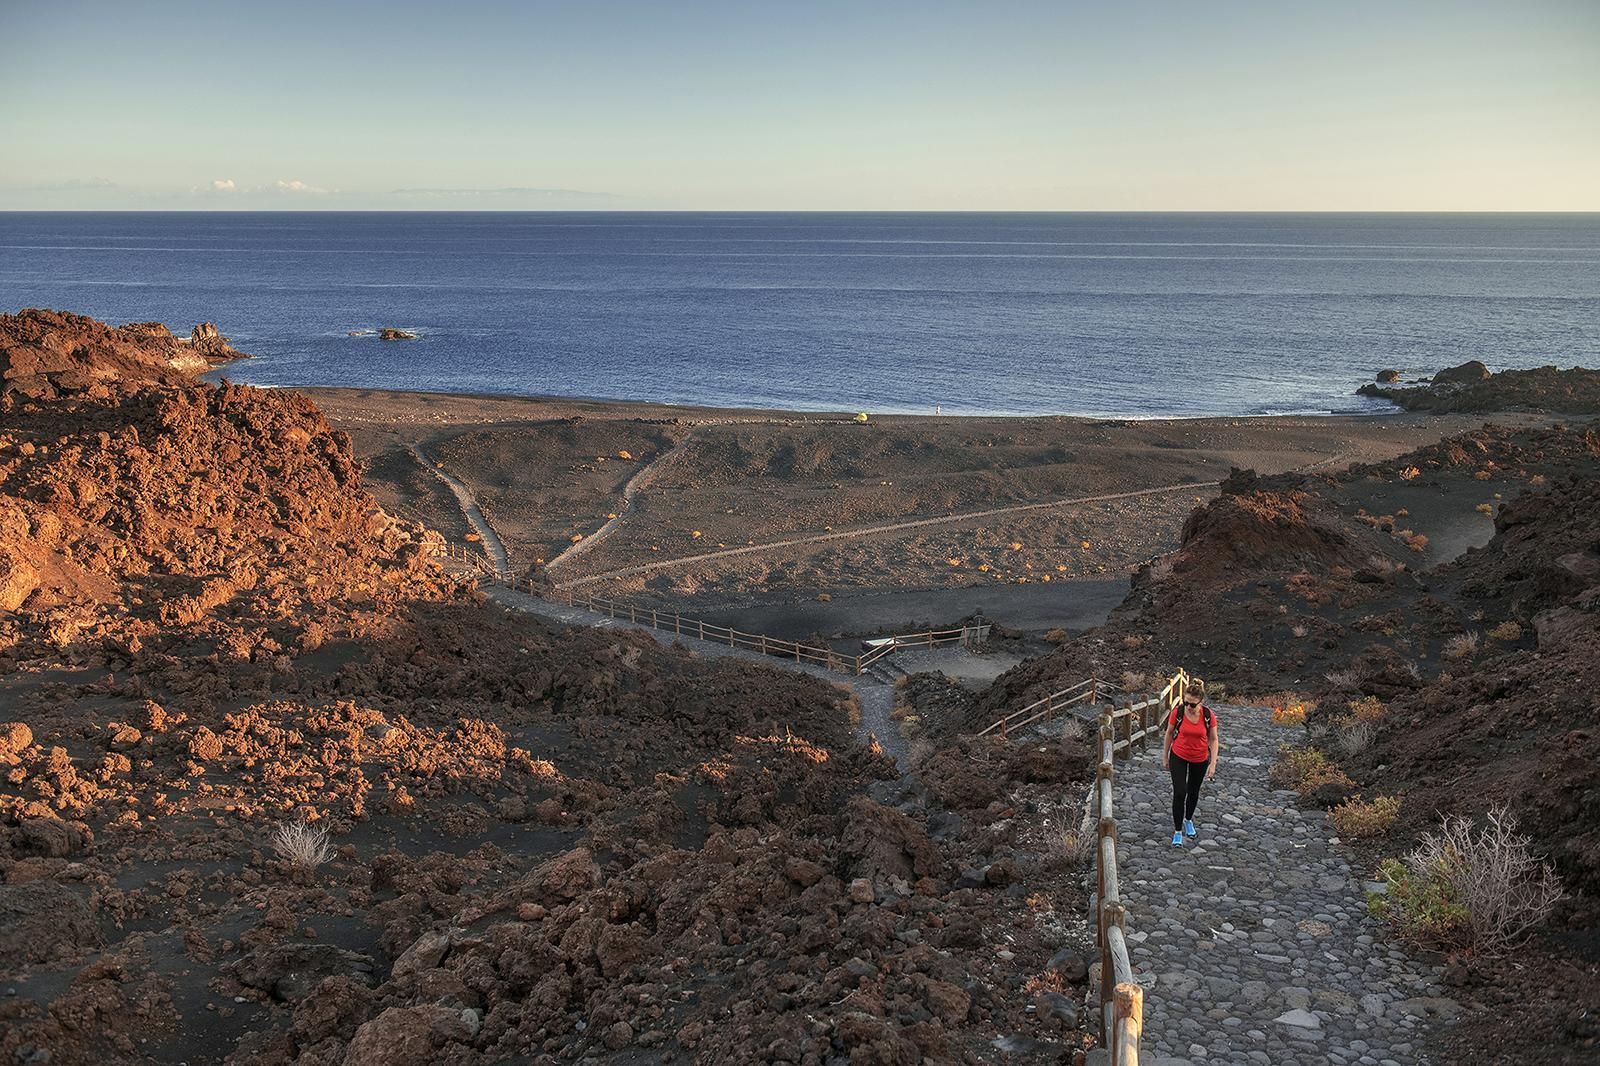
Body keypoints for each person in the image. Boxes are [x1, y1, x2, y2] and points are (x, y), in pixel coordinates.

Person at [1161, 680, 1219, 848]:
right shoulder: (1178, 712)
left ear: (1200, 702)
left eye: (1192, 705)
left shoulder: (1208, 716)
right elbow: (1169, 733)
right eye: (1185, 702)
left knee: (1193, 791)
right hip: (1178, 755)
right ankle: (1178, 831)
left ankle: (1188, 820)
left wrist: (1213, 762)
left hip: (1200, 758)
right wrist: (1165, 756)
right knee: (1180, 792)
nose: (1188, 707)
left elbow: (1214, 739)